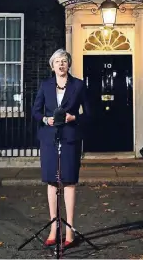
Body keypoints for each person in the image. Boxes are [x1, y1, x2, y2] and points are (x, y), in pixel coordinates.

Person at [32, 48, 90, 247]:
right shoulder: (45, 85)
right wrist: (45, 119)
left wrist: (74, 117)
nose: (61, 64)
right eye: (57, 61)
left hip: (70, 138)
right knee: (51, 182)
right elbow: (35, 111)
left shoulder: (79, 86)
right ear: (52, 65)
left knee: (69, 182)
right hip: (49, 139)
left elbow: (91, 113)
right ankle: (53, 227)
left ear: (68, 64)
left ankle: (69, 230)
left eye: (64, 60)